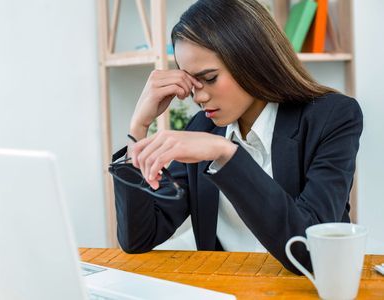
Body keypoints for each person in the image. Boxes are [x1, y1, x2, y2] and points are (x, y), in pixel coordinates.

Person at [109, 0, 363, 275]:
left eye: (210, 78)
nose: (199, 97)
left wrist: (226, 154)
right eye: (192, 82)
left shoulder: (333, 117)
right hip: (226, 286)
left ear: (251, 60)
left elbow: (311, 251)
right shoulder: (202, 129)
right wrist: (139, 125)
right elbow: (139, 238)